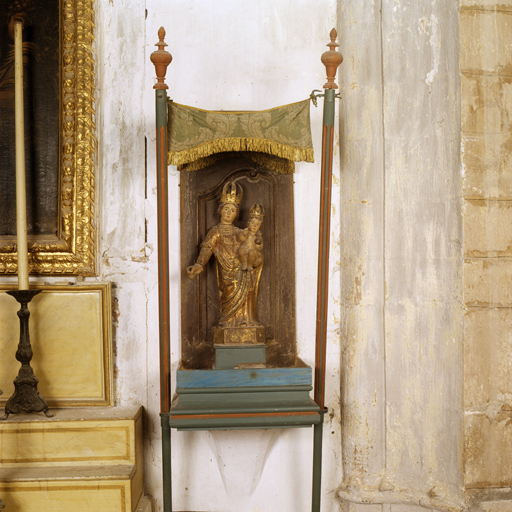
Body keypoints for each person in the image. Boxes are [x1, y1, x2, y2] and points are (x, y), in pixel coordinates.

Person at [186, 181, 263, 327]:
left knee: (248, 291)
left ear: (236, 214)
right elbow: (207, 247)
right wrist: (199, 264)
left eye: (233, 210)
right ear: (220, 210)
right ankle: (227, 320)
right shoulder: (215, 231)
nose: (229, 213)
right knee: (228, 291)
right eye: (226, 209)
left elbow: (251, 244)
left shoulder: (238, 231)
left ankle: (245, 320)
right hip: (226, 271)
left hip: (241, 268)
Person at [237, 204, 264, 271]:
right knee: (241, 251)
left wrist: (259, 243)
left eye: (257, 224)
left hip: (252, 250)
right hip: (245, 248)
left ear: (260, 227)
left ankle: (250, 265)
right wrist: (243, 235)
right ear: (248, 223)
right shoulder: (246, 232)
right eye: (253, 223)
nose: (254, 226)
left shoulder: (258, 235)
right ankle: (244, 264)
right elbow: (241, 239)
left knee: (252, 253)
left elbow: (260, 247)